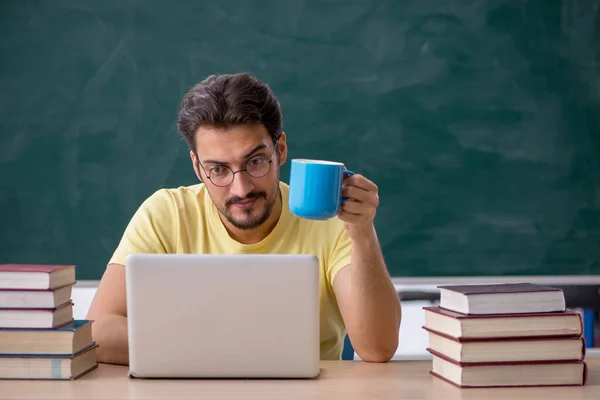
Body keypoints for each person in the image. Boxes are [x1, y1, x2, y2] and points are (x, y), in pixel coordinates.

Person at [86, 73, 401, 364]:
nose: (241, 188)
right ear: (198, 168)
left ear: (280, 149)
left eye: (255, 162)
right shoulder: (166, 214)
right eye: (218, 170)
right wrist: (218, 352)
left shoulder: (331, 219)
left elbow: (377, 348)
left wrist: (361, 232)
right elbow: (98, 332)